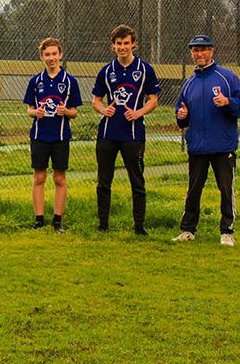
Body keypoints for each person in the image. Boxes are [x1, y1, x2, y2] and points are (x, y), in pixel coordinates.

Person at [173, 34, 240, 247]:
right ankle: (188, 230)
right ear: (192, 54)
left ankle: (227, 232)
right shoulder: (189, 84)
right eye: (196, 50)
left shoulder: (227, 77)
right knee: (193, 190)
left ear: (211, 52)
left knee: (226, 189)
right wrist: (181, 115)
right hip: (197, 146)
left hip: (222, 145)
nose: (199, 53)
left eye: (203, 49)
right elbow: (182, 113)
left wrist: (228, 102)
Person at [92, 24, 159, 235]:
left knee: (137, 181)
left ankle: (139, 227)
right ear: (113, 46)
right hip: (107, 135)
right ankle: (103, 225)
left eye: (126, 43)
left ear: (134, 45)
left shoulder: (145, 69)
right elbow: (96, 101)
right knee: (104, 181)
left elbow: (154, 100)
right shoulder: (106, 71)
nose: (122, 47)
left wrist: (139, 113)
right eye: (119, 44)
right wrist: (104, 110)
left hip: (133, 135)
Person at [23, 37, 81, 232]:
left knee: (59, 178)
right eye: (47, 55)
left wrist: (66, 112)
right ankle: (39, 220)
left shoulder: (70, 81)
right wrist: (36, 112)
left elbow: (74, 111)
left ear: (60, 55)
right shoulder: (35, 81)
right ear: (42, 57)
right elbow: (29, 110)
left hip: (61, 137)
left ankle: (57, 221)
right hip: (39, 136)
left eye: (54, 54)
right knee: (39, 177)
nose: (51, 58)